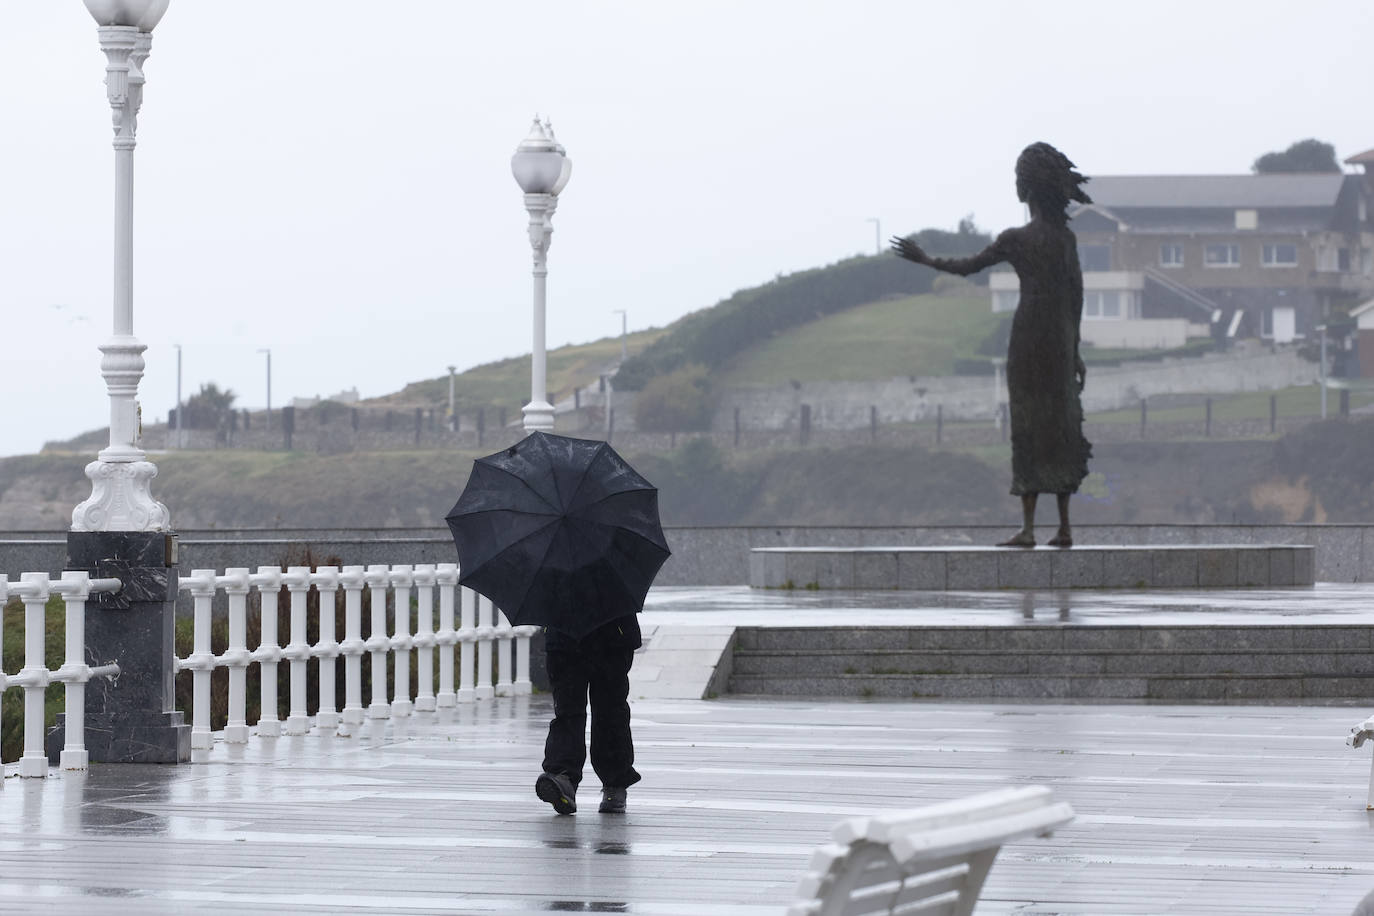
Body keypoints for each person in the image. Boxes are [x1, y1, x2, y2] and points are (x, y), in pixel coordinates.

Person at [892, 141, 1093, 548]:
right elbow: (1077, 294)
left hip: (1028, 338)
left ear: (1027, 188)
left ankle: (1030, 528)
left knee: (1028, 425)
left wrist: (926, 260)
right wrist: (1075, 350)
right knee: (1061, 424)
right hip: (1058, 339)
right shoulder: (1064, 240)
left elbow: (967, 267)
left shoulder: (1017, 239)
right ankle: (1065, 527)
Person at [535, 612, 642, 815]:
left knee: (608, 711)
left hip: (611, 634)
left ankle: (614, 782)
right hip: (565, 635)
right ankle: (562, 778)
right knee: (569, 710)